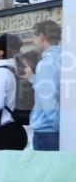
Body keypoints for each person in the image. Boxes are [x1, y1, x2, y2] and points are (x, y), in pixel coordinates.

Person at [30, 20, 61, 150]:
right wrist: (32, 78)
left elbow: (48, 99)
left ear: (41, 37)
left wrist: (58, 125)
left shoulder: (45, 64)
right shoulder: (66, 59)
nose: (33, 40)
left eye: (34, 36)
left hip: (48, 131)